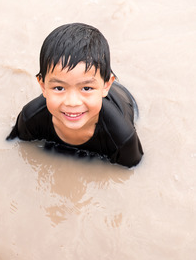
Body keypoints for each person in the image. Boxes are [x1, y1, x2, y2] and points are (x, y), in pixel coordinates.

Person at [7, 23, 143, 168]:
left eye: (86, 88)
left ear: (106, 86)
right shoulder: (31, 117)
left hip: (122, 100)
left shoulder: (122, 137)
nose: (72, 102)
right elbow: (12, 148)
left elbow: (132, 171)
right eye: (59, 88)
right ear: (43, 86)